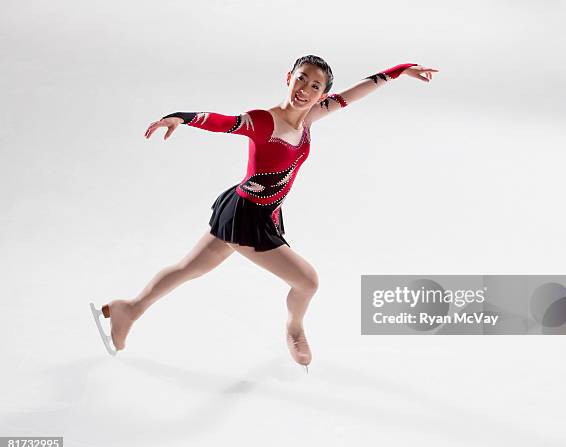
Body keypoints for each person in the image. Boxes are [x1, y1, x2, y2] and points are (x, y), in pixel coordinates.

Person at [93, 55, 438, 371]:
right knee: (307, 281)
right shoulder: (263, 121)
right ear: (289, 77)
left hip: (258, 211)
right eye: (301, 79)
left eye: (315, 86)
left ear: (321, 96)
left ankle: (129, 309)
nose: (305, 90)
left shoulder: (310, 119)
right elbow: (222, 122)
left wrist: (399, 71)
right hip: (246, 216)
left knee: (188, 269)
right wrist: (180, 118)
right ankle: (295, 328)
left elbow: (354, 93)